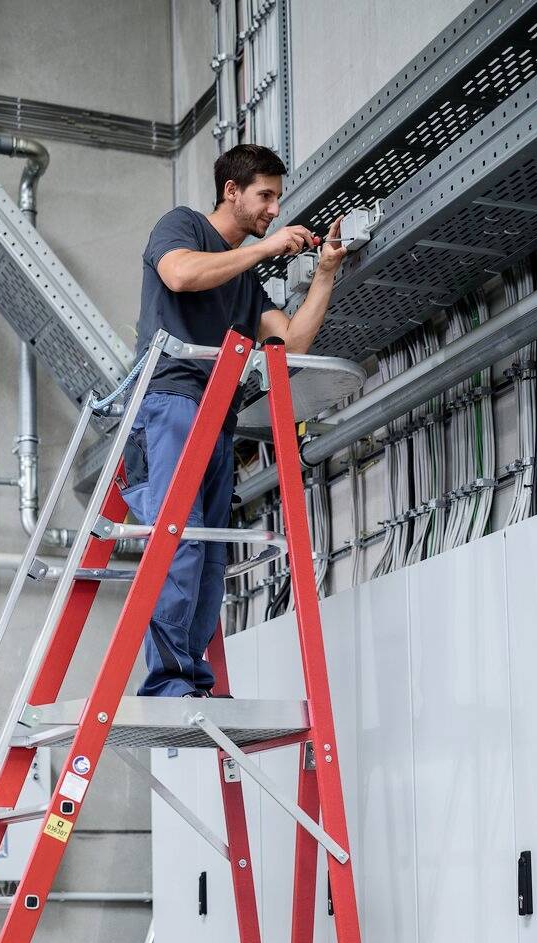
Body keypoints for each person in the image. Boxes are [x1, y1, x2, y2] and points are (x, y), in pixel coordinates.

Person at [124, 142, 347, 697]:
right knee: (182, 542)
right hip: (170, 400)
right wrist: (267, 248)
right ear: (232, 191)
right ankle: (168, 682)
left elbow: (290, 341)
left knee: (209, 554)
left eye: (277, 198)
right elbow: (178, 275)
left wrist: (324, 275)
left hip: (215, 414)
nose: (274, 208)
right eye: (265, 196)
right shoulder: (182, 226)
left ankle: (190, 678)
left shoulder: (245, 283)